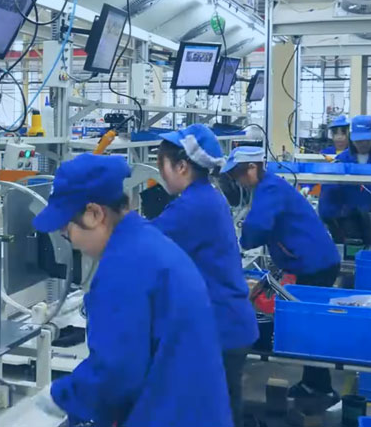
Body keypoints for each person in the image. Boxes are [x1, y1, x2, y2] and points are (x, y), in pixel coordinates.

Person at [32, 153, 232, 427]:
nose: (70, 242)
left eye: (67, 230)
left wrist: (62, 397)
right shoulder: (146, 241)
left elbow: (116, 371)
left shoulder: (123, 267)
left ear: (94, 214)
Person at [152, 125, 259, 427]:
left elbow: (144, 243)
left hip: (219, 328)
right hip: (229, 323)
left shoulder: (193, 206)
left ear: (182, 166)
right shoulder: (207, 196)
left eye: (162, 166)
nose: (161, 174)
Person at [222, 146, 341, 405]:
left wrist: (240, 243)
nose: (237, 181)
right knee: (307, 324)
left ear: (252, 167)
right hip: (311, 261)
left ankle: (321, 388)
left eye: (238, 174)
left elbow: (258, 226)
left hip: (315, 264)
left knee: (307, 326)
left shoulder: (270, 189)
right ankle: (314, 383)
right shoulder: (268, 186)